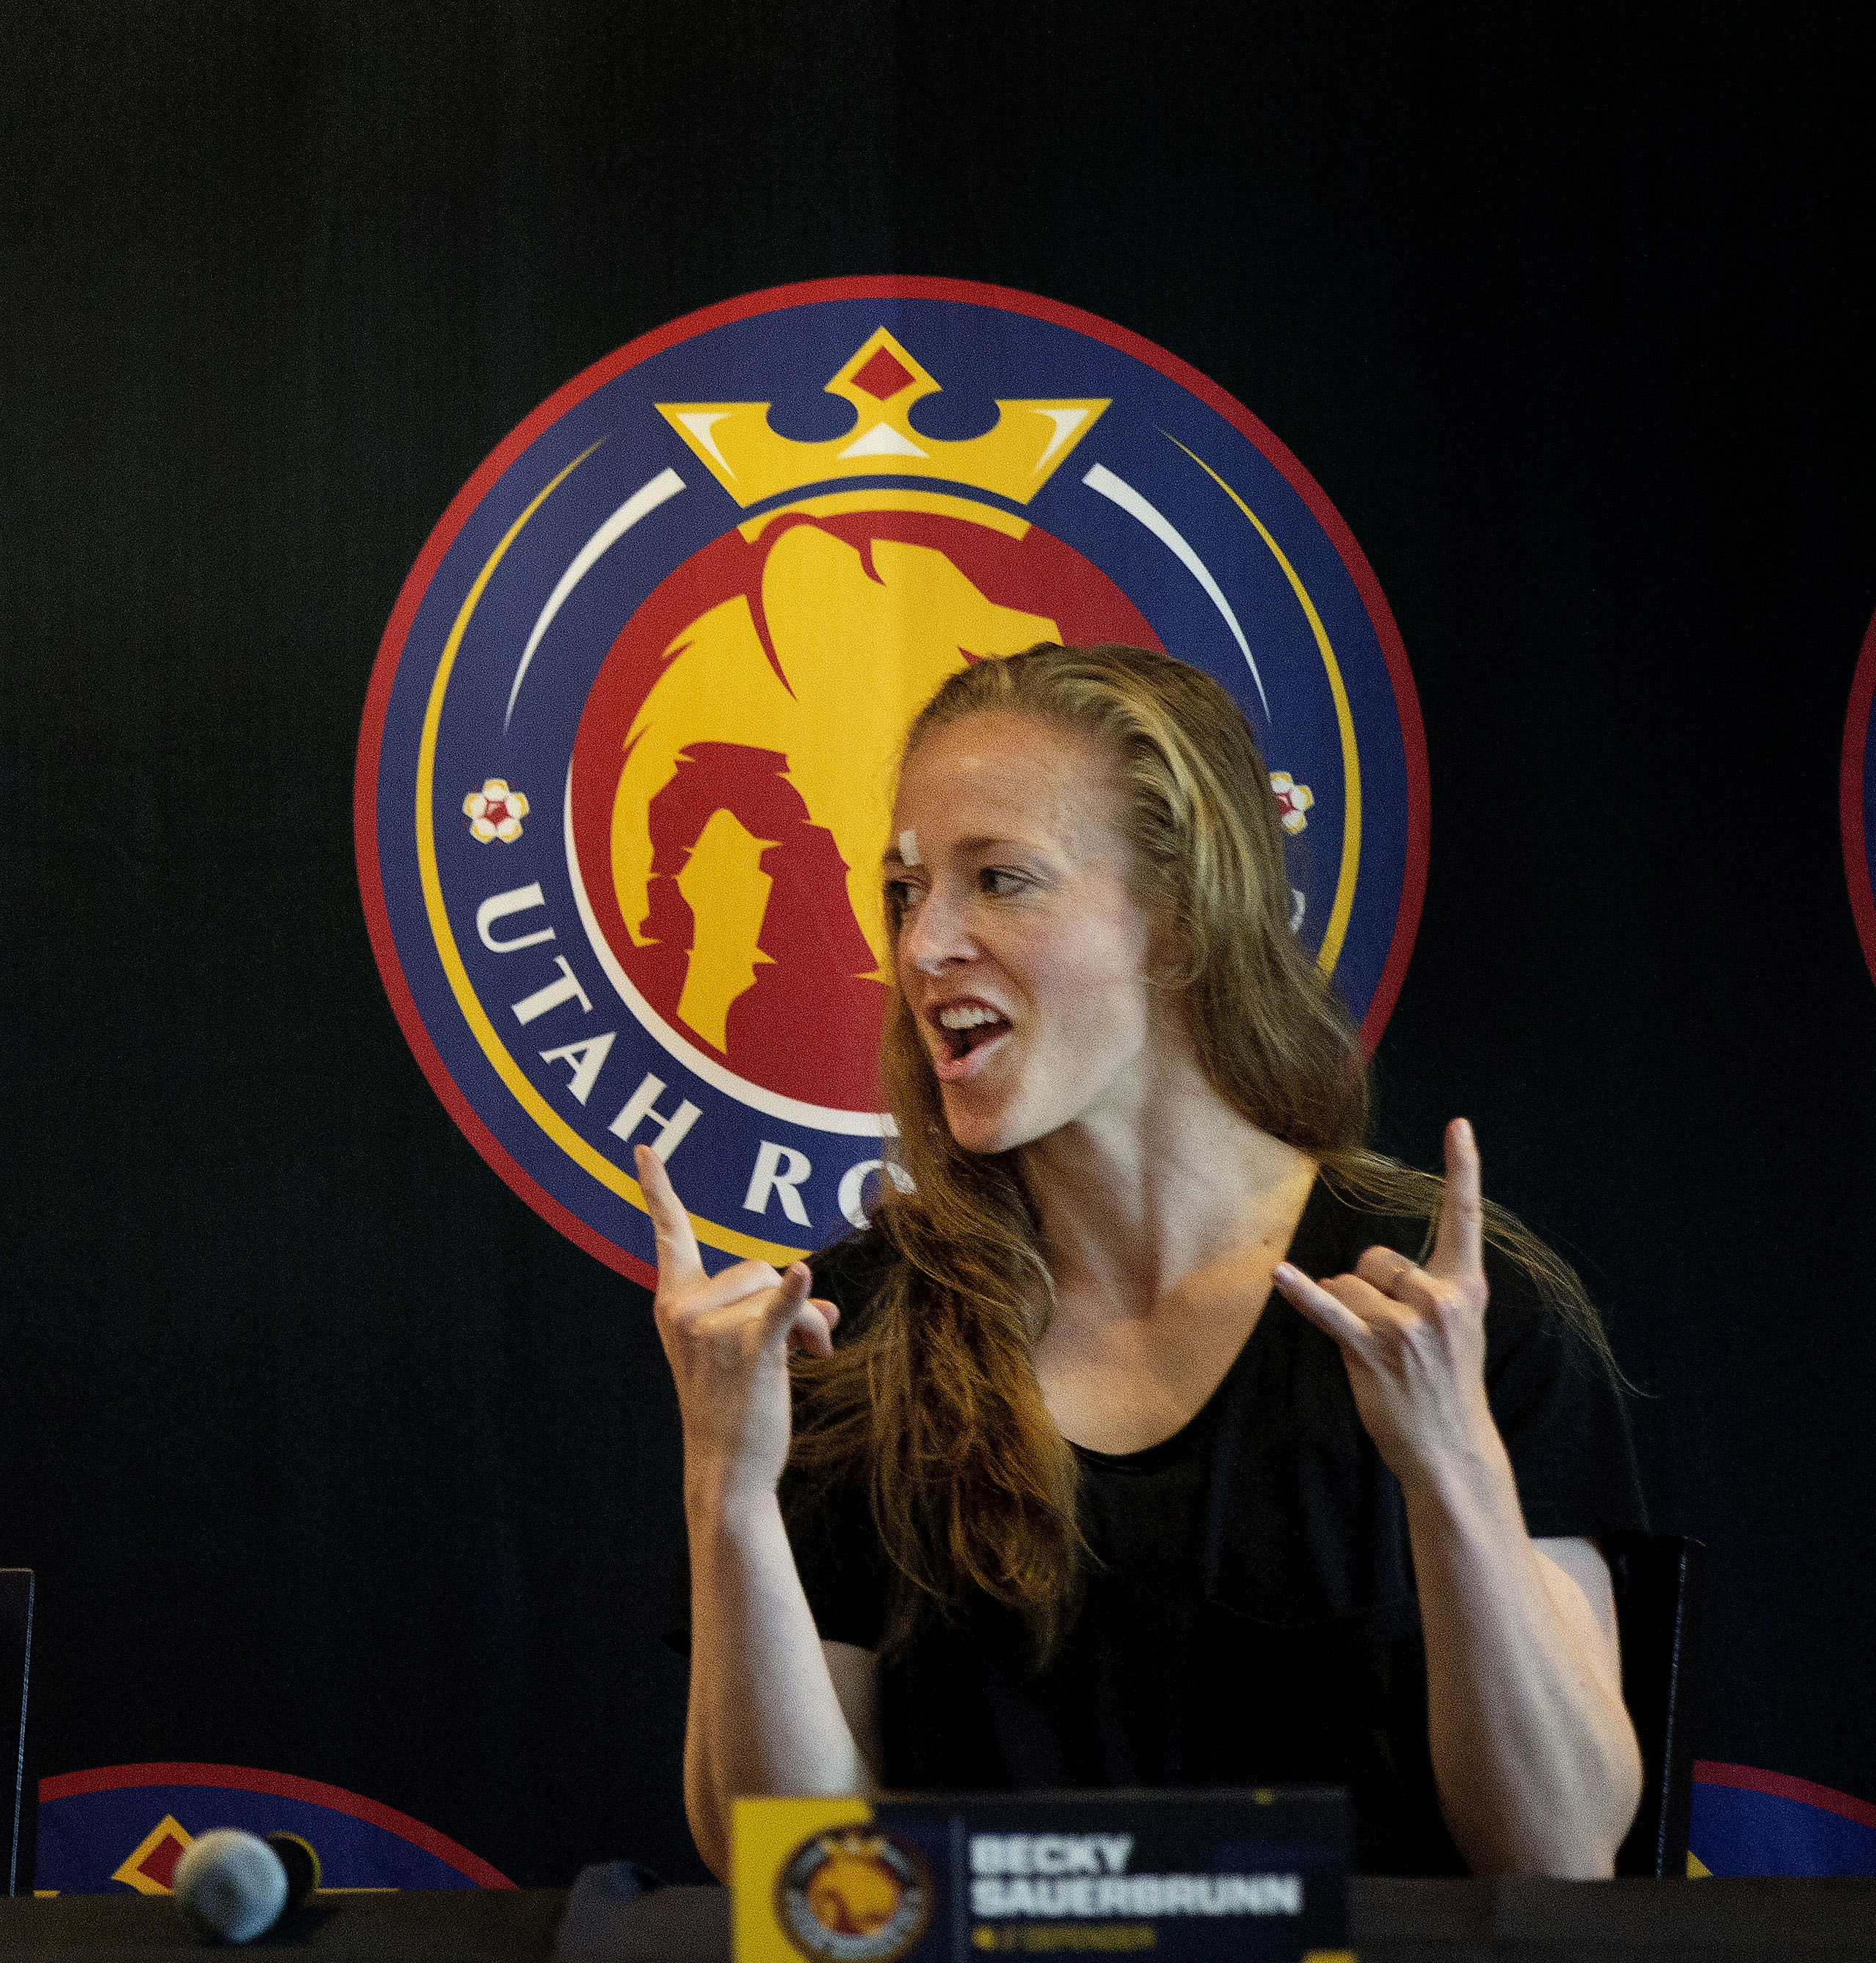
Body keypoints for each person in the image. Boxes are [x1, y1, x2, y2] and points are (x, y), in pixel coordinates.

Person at [651, 645, 1644, 1880]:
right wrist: (728, 1493)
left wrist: (1451, 1463)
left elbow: (1555, 1857)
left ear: (1183, 914)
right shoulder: (851, 1329)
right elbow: (799, 1880)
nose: (922, 946)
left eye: (999, 880)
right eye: (907, 891)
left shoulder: (1451, 1312)